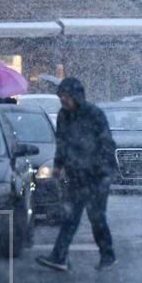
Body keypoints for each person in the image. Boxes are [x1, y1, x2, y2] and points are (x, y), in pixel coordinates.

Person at [36, 77, 117, 272]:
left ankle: (108, 255)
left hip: (97, 175)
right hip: (76, 175)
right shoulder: (64, 116)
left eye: (66, 96)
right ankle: (59, 257)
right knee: (70, 216)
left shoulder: (94, 114)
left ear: (77, 96)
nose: (63, 100)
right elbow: (62, 143)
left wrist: (101, 169)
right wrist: (58, 165)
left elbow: (106, 144)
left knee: (96, 217)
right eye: (61, 96)